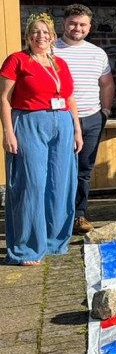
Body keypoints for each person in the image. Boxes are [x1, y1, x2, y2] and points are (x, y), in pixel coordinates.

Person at [1, 14, 83, 265]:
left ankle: (53, 242)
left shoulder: (59, 64)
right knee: (31, 185)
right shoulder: (17, 60)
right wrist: (8, 132)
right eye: (36, 32)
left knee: (60, 186)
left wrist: (77, 130)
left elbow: (69, 99)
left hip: (62, 124)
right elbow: (4, 97)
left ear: (53, 36)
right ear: (28, 36)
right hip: (29, 122)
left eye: (46, 32)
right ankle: (26, 248)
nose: (41, 36)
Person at [54, 4, 113, 234]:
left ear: (89, 27)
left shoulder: (97, 53)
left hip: (91, 118)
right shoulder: (50, 49)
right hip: (60, 118)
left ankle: (79, 215)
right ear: (64, 24)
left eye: (82, 24)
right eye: (73, 23)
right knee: (58, 168)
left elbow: (106, 83)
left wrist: (105, 112)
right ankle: (58, 218)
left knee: (84, 171)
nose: (77, 28)